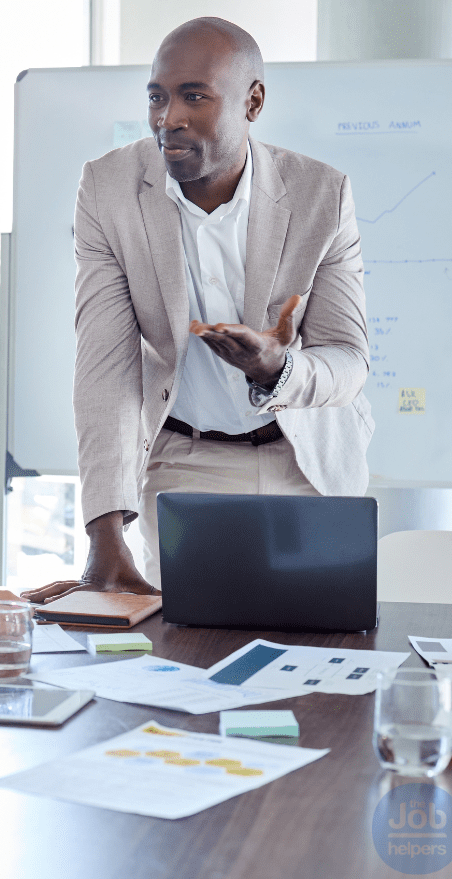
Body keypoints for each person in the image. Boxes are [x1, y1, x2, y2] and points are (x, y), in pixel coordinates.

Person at [44, 17, 372, 599]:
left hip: (308, 462)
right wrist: (105, 531)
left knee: (321, 659)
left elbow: (348, 362)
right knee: (184, 662)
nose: (169, 118)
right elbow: (105, 371)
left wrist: (280, 368)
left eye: (195, 96)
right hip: (186, 460)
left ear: (253, 101)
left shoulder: (322, 194)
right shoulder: (109, 189)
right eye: (158, 96)